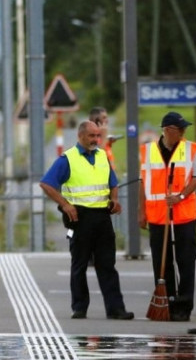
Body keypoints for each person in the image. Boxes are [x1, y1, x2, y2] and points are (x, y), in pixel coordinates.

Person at [39, 120, 134, 320]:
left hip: (102, 217)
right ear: (81, 136)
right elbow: (47, 184)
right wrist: (65, 204)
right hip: (79, 218)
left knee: (107, 264)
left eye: (97, 136)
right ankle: (79, 307)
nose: (96, 140)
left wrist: (114, 200)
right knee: (80, 264)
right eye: (91, 136)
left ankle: (116, 308)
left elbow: (113, 182)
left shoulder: (102, 157)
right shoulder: (68, 158)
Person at [139, 111, 196, 321]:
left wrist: (181, 195)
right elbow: (143, 184)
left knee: (186, 261)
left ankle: (183, 307)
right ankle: (167, 302)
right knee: (162, 262)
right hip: (158, 215)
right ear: (167, 131)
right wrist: (142, 212)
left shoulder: (190, 148)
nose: (184, 132)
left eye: (184, 129)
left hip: (184, 214)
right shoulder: (148, 151)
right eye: (180, 129)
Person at [89, 106, 118, 171]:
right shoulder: (90, 135)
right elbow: (97, 154)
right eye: (104, 118)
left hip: (109, 172)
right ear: (96, 120)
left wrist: (109, 143)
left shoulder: (101, 134)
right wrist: (104, 136)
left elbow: (105, 151)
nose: (107, 120)